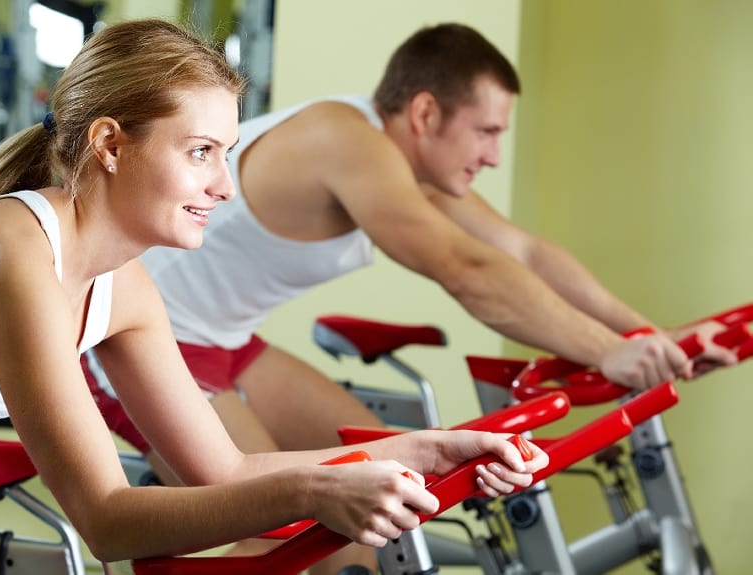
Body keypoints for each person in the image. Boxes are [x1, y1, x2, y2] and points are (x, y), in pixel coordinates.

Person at [0, 18, 548, 569]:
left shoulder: (126, 287)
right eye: (201, 151)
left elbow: (226, 468)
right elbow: (107, 519)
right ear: (111, 144)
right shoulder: (17, 251)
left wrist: (432, 449)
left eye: (226, 153)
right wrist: (315, 489)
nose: (226, 187)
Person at [83, 21, 737, 573]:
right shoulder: (345, 140)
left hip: (224, 340)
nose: (493, 155)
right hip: (143, 342)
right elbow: (464, 267)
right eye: (485, 131)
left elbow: (524, 252)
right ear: (425, 113)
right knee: (283, 532)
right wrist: (607, 352)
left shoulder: (407, 169)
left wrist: (644, 339)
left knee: (390, 497)